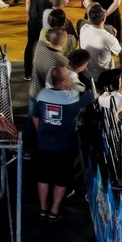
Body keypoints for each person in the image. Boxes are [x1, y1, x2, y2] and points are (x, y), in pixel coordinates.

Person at [29, 66, 89, 221]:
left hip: (43, 145)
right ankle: (54, 210)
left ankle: (43, 208)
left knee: (43, 177)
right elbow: (92, 96)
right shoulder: (74, 97)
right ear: (63, 82)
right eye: (68, 78)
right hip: (65, 146)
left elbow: (35, 117)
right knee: (61, 179)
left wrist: (42, 134)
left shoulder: (42, 94)